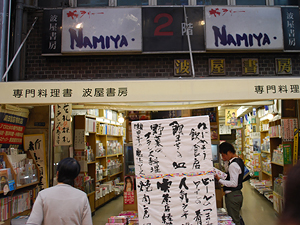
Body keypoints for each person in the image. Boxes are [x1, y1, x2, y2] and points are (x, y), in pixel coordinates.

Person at [26, 157, 92, 225]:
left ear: (57, 174)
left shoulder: (43, 195)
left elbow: (33, 222)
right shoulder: (82, 196)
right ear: (75, 177)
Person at [215, 142, 244, 225]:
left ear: (229, 152)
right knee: (236, 217)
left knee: (234, 220)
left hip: (233, 195)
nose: (223, 157)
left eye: (223, 155)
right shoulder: (237, 160)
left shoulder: (233, 165)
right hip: (236, 195)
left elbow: (234, 183)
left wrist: (219, 180)